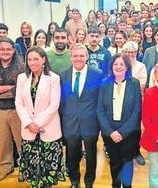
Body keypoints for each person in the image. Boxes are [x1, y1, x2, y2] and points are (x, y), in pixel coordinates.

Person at [15, 46, 65, 188]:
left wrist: (37, 123)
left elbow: (54, 105)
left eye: (36, 59)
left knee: (48, 169)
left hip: (48, 128)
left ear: (43, 59)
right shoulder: (21, 78)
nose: (32, 62)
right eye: (29, 59)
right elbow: (18, 103)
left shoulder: (53, 78)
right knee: (32, 167)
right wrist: (28, 123)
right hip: (28, 129)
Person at [59, 43, 103, 188]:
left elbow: (100, 101)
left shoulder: (97, 74)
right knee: (71, 155)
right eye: (75, 56)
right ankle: (74, 182)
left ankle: (89, 183)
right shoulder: (63, 75)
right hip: (70, 123)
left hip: (90, 123)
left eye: (81, 56)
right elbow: (61, 101)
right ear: (70, 57)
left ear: (87, 57)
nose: (78, 58)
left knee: (91, 156)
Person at [97, 53, 141, 188]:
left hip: (129, 133)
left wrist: (122, 132)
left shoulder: (134, 83)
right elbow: (100, 110)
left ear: (127, 67)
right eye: (115, 64)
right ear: (111, 66)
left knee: (127, 162)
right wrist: (110, 132)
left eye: (122, 64)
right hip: (110, 132)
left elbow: (137, 111)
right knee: (115, 163)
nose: (118, 66)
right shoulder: (105, 83)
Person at [0, 37, 25, 182]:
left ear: (13, 50)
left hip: (17, 109)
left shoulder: (21, 66)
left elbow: (20, 88)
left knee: (22, 141)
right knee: (1, 141)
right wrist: (10, 88)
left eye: (8, 49)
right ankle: (6, 166)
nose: (5, 52)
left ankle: (25, 167)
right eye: (2, 49)